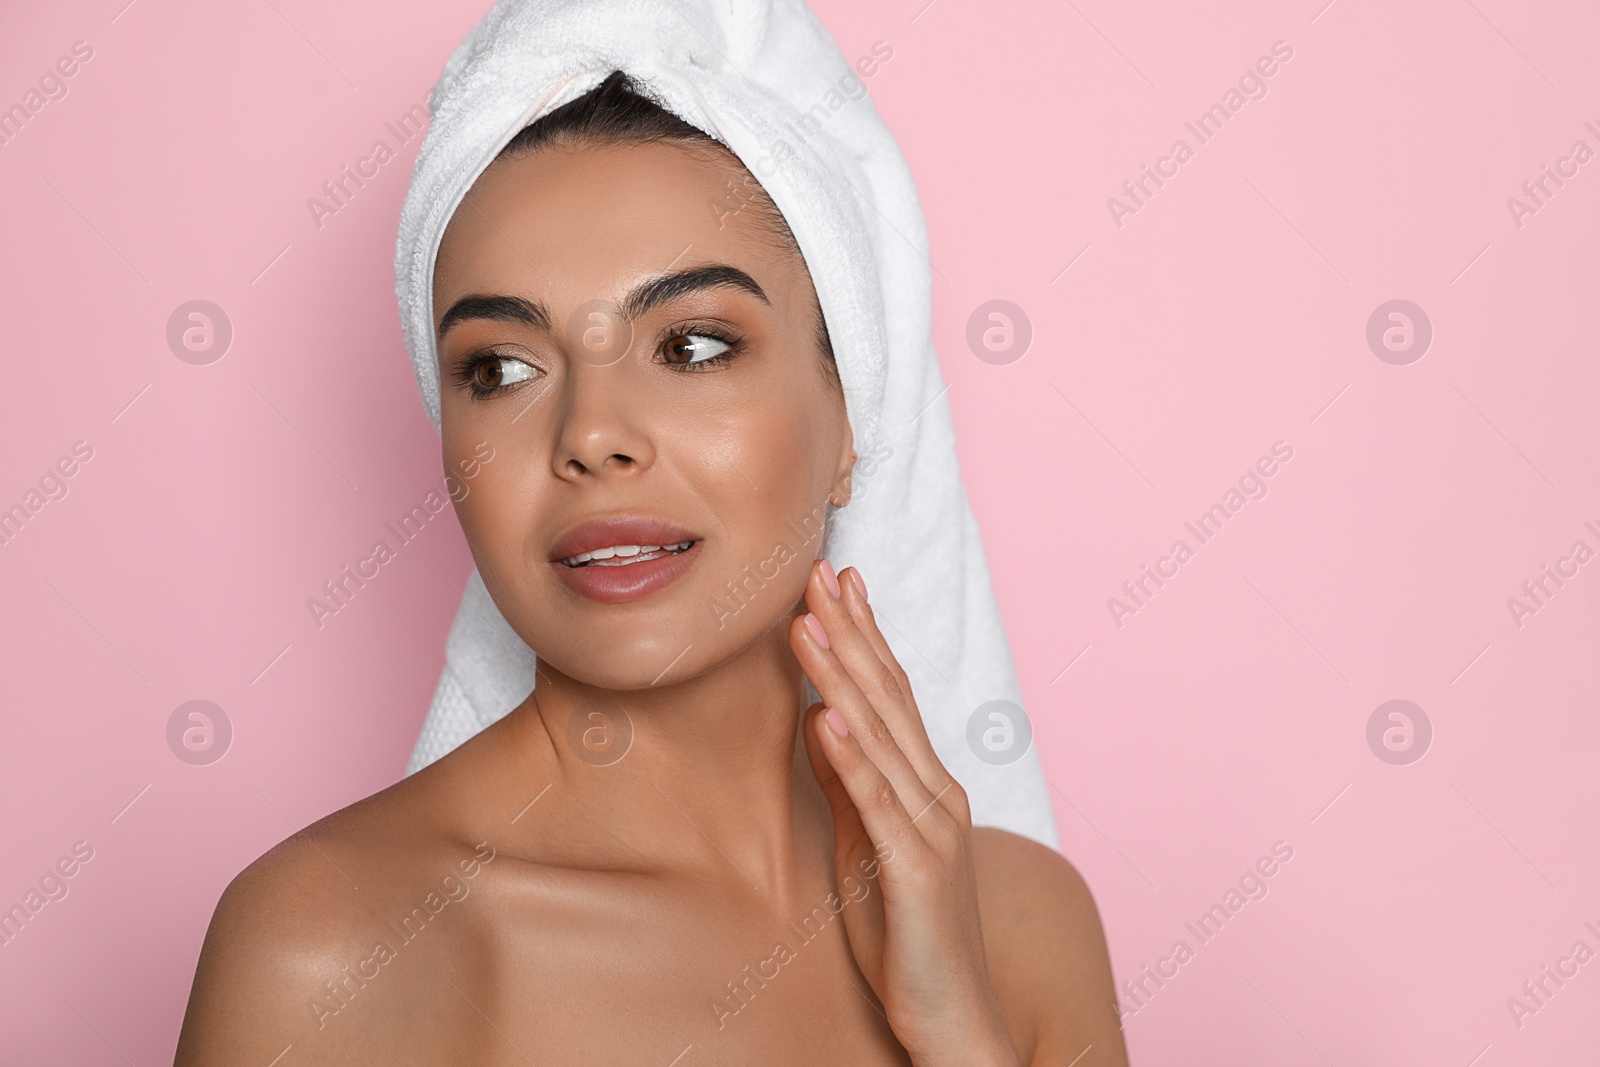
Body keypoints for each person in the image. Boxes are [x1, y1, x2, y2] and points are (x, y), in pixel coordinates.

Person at [174, 67, 1127, 1067]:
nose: (589, 435)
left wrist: (959, 1032)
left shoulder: (1018, 924)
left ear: (851, 419)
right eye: (499, 368)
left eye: (692, 345)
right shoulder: (328, 953)